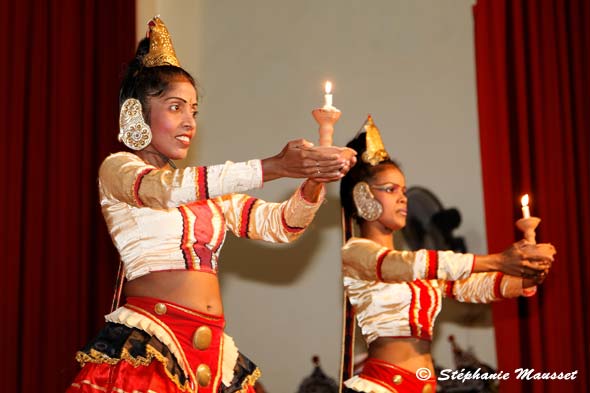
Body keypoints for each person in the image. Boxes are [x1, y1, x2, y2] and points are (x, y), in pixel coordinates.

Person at [67, 17, 356, 393]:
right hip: (153, 343)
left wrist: (314, 177)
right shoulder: (119, 170)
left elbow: (281, 225)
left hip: (213, 349)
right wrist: (273, 167)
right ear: (136, 114)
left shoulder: (203, 190)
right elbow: (164, 190)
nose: (189, 122)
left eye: (194, 111)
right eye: (175, 107)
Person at [339, 116, 555, 393]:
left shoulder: (420, 268)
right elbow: (414, 264)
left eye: (404, 190)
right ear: (363, 197)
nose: (403, 198)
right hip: (382, 386)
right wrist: (499, 260)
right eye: (391, 190)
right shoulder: (358, 253)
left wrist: (528, 275)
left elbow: (475, 286)